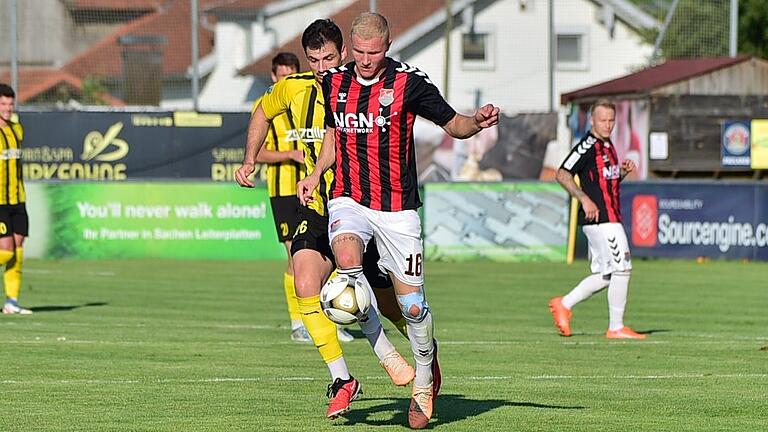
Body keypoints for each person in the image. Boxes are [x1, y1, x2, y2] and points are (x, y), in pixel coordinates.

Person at [296, 12, 500, 429]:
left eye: (374, 53)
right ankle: (387, 354)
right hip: (349, 198)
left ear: (387, 48)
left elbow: (454, 123)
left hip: (398, 209)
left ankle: (424, 380)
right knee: (349, 270)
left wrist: (476, 123)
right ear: (350, 49)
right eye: (359, 53)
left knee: (413, 307)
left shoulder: (410, 83)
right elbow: (336, 135)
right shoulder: (333, 81)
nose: (366, 61)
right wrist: (317, 173)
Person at [234, 19, 412, 420]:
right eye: (314, 59)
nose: (321, 66)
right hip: (316, 203)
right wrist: (249, 159)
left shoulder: (364, 86)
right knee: (304, 282)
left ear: (343, 53)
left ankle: (424, 356)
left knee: (388, 303)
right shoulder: (295, 87)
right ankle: (343, 379)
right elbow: (262, 112)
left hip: (360, 204)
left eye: (328, 58)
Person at [548, 99, 646, 340]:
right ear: (592, 120)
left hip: (610, 217)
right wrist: (583, 198)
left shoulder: (608, 145)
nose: (608, 125)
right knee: (622, 267)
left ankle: (564, 304)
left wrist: (621, 172)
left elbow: (604, 182)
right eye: (603, 120)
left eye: (611, 120)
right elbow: (562, 174)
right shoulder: (588, 145)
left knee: (607, 275)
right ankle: (616, 327)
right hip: (601, 219)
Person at [252, 52, 311, 342]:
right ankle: (297, 322)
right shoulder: (265, 108)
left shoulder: (310, 100)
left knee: (324, 255)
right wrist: (289, 154)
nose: (288, 81)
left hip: (314, 189)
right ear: (274, 77)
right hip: (283, 191)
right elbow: (256, 152)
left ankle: (330, 319)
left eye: (292, 75)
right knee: (294, 257)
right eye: (282, 76)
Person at [0, 84, 31, 315]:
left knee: (18, 249)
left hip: (18, 199)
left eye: (10, 104)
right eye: (3, 104)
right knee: (6, 251)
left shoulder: (17, 129)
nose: (8, 108)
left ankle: (11, 302)